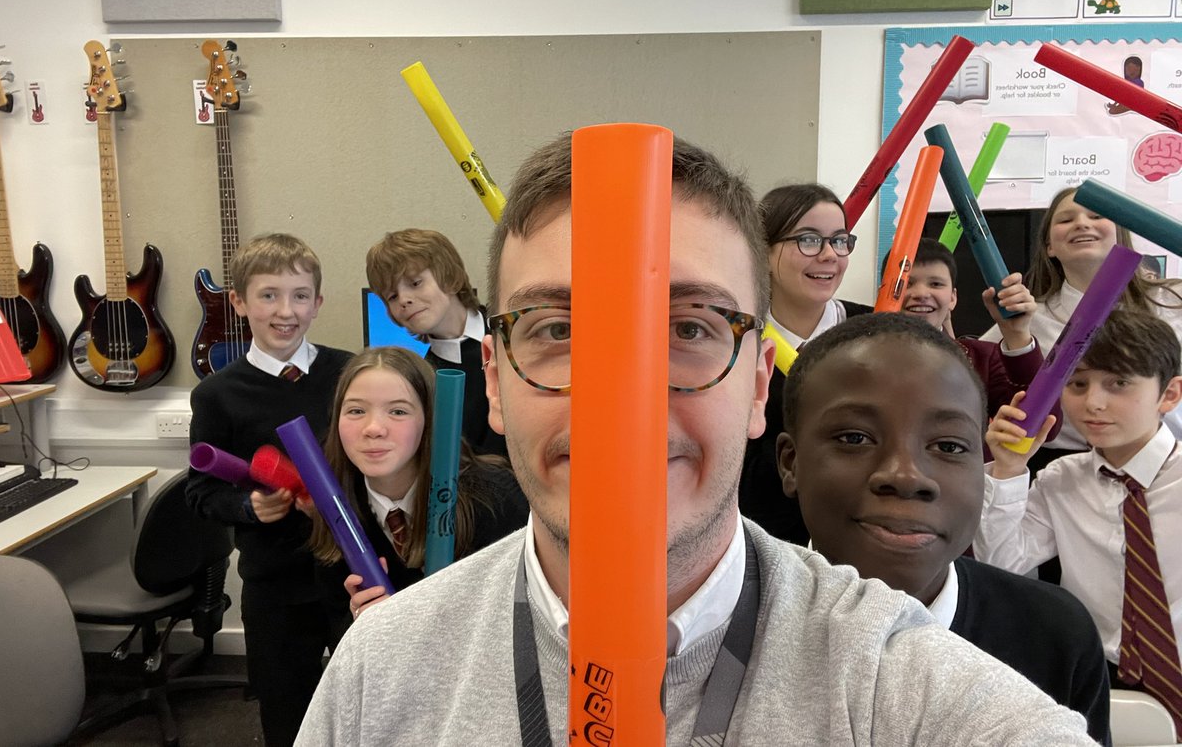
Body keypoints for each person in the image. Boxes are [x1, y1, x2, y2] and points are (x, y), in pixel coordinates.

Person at [297, 134, 1093, 745]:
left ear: (757, 387)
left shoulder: (893, 677)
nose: (623, 405)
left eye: (689, 327)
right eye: (558, 329)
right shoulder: (382, 670)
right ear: (495, 384)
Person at [777, 312, 1111, 743]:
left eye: (949, 445)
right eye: (855, 438)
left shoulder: (1054, 635)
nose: (907, 476)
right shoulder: (724, 633)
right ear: (791, 462)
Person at [976, 310, 1182, 736]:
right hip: (1103, 686)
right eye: (1077, 384)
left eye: (1119, 383)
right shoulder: (1060, 481)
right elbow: (1002, 567)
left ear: (1169, 394)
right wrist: (1009, 470)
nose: (1094, 403)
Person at [186, 233, 354, 747]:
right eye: (268, 295)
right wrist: (250, 506)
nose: (286, 311)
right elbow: (202, 492)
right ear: (238, 302)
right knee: (287, 714)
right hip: (274, 583)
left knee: (369, 705)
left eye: (300, 296)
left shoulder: (350, 373)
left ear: (318, 303)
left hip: (351, 575)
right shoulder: (216, 395)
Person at [308, 346, 527, 645]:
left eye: (398, 411)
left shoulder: (494, 498)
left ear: (429, 420)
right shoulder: (335, 508)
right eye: (356, 411)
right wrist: (361, 624)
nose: (373, 428)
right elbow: (340, 643)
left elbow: (524, 623)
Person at [982, 186, 1182, 467]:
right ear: (1049, 245)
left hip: (1168, 463)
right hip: (1062, 469)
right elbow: (968, 373)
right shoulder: (1027, 319)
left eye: (1096, 215)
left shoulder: (1174, 302)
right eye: (1065, 220)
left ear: (1120, 235)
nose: (1082, 223)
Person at [740, 183, 871, 544]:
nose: (830, 255)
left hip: (862, 544)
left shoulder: (875, 335)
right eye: (809, 240)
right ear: (763, 251)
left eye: (840, 240)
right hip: (764, 544)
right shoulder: (739, 341)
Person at [900, 238, 1058, 450]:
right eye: (906, 283)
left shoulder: (982, 358)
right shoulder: (859, 357)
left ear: (953, 298)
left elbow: (1041, 426)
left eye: (936, 284)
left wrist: (1017, 334)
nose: (920, 293)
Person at [366, 228, 506, 457]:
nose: (404, 299)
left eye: (415, 283)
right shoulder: (422, 382)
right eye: (392, 296)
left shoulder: (513, 330)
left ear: (450, 277)